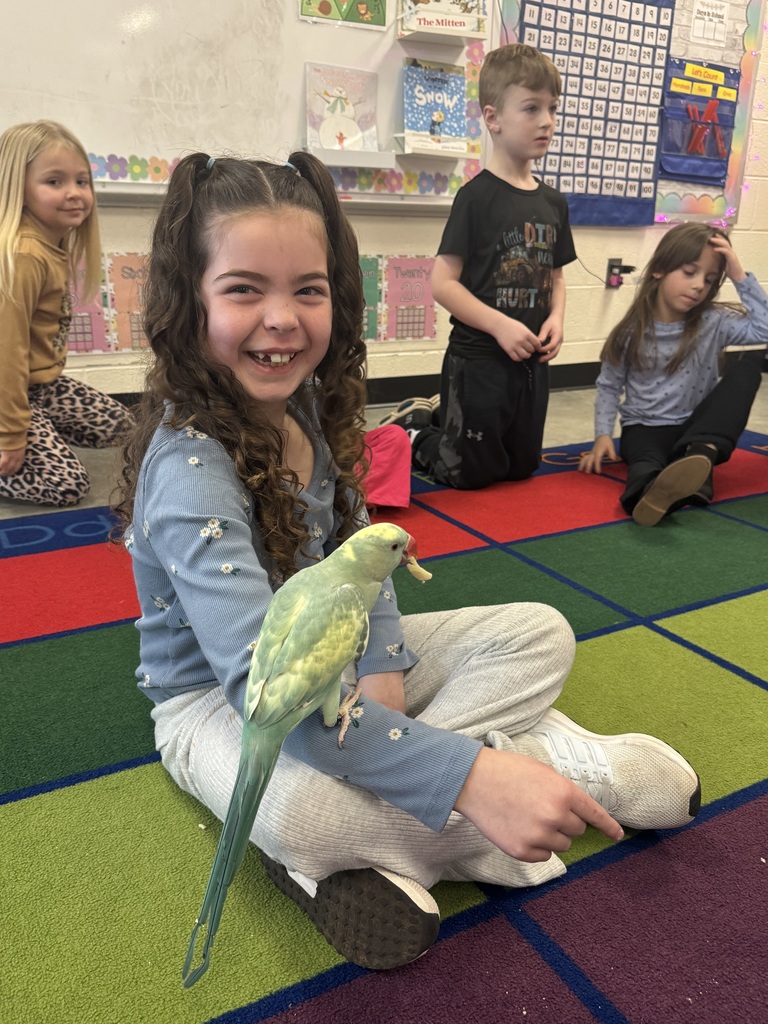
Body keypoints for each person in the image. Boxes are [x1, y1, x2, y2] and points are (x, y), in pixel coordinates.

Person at [112, 150, 701, 972]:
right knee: (303, 814)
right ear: (189, 302)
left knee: (538, 632)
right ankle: (570, 772)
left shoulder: (308, 409)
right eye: (244, 288)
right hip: (224, 706)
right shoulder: (189, 473)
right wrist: (472, 778)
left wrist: (383, 670)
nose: (281, 318)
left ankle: (409, 820)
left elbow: (366, 566)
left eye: (307, 290)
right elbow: (266, 695)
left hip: (337, 666)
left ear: (337, 299)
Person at [382, 44, 576, 490]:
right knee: (467, 474)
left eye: (552, 108)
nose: (546, 121)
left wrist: (558, 319)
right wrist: (500, 326)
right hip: (480, 360)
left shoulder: (553, 203)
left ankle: (440, 418)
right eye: (531, 108)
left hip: (531, 362)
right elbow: (443, 283)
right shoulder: (476, 198)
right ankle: (414, 431)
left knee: (522, 467)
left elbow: (557, 275)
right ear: (493, 118)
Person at [578, 223, 767, 526]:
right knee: (644, 466)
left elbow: (764, 329)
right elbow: (609, 386)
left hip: (695, 432)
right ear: (659, 270)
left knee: (748, 368)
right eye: (689, 272)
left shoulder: (713, 321)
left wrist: (739, 275)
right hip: (645, 429)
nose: (698, 286)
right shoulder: (631, 332)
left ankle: (700, 459)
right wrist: (602, 435)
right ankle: (650, 494)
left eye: (708, 279)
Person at [0, 120, 134, 506]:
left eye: (82, 181)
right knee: (66, 486)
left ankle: (39, 430)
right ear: (18, 189)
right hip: (10, 387)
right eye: (54, 182)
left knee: (122, 428)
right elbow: (6, 357)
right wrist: (12, 435)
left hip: (40, 387)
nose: (74, 194)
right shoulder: (24, 256)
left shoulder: (49, 247)